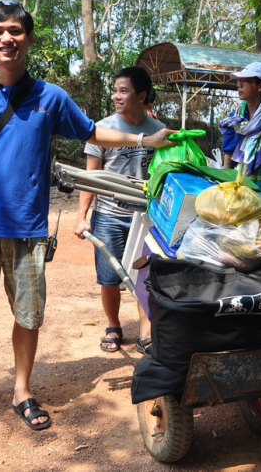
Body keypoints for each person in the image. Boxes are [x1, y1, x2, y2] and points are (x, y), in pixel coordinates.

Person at [0, 0, 174, 431]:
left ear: (28, 39)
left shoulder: (51, 98)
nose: (7, 39)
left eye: (15, 31)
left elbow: (92, 131)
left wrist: (147, 142)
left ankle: (22, 389)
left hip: (29, 228)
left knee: (28, 316)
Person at [74, 66, 164, 355]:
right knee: (110, 278)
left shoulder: (157, 130)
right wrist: (81, 216)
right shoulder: (101, 130)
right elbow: (91, 178)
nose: (116, 96)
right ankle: (113, 326)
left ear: (142, 96)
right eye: (115, 90)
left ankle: (146, 331)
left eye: (123, 91)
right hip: (109, 216)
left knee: (143, 276)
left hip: (145, 217)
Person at [220, 62, 261, 211]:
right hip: (241, 194)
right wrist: (225, 184)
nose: (239, 85)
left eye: (245, 81)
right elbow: (229, 152)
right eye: (238, 81)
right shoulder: (236, 116)